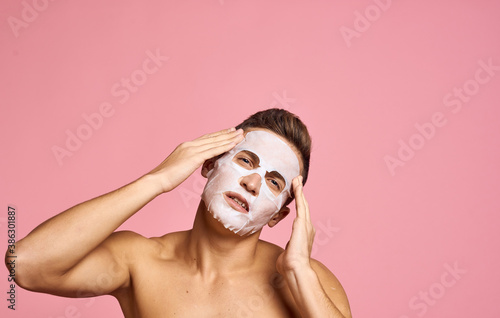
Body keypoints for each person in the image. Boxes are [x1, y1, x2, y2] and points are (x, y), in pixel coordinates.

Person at [7, 108, 351, 317]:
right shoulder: (140, 261)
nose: (251, 183)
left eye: (274, 183)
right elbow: (28, 264)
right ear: (210, 165)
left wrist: (299, 272)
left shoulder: (307, 280)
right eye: (246, 161)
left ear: (278, 216)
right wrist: (156, 180)